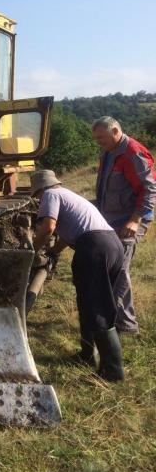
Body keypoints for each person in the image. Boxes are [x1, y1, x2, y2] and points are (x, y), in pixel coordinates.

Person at [31, 170, 126, 381]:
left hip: (94, 248)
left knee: (97, 307)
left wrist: (31, 250)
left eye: (36, 196)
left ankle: (112, 372)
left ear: (40, 190)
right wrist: (54, 251)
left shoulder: (51, 195)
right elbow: (68, 235)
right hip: (112, 245)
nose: (39, 201)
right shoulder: (69, 195)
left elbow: (48, 228)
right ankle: (87, 355)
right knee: (91, 303)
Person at [92, 116, 156, 335]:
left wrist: (135, 220)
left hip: (129, 221)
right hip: (111, 219)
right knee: (111, 268)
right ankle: (115, 317)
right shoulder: (108, 153)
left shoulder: (133, 153)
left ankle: (127, 326)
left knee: (119, 270)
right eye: (96, 138)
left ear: (115, 131)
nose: (98, 142)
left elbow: (149, 190)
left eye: (101, 137)